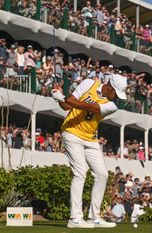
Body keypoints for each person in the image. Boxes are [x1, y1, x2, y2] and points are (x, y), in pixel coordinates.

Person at [51, 73, 127, 228]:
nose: (116, 97)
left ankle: (94, 217)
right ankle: (75, 219)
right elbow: (67, 106)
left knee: (102, 174)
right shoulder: (88, 84)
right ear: (109, 86)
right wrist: (59, 97)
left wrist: (65, 97)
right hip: (71, 133)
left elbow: (85, 106)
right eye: (115, 93)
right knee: (80, 173)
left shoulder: (112, 106)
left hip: (91, 138)